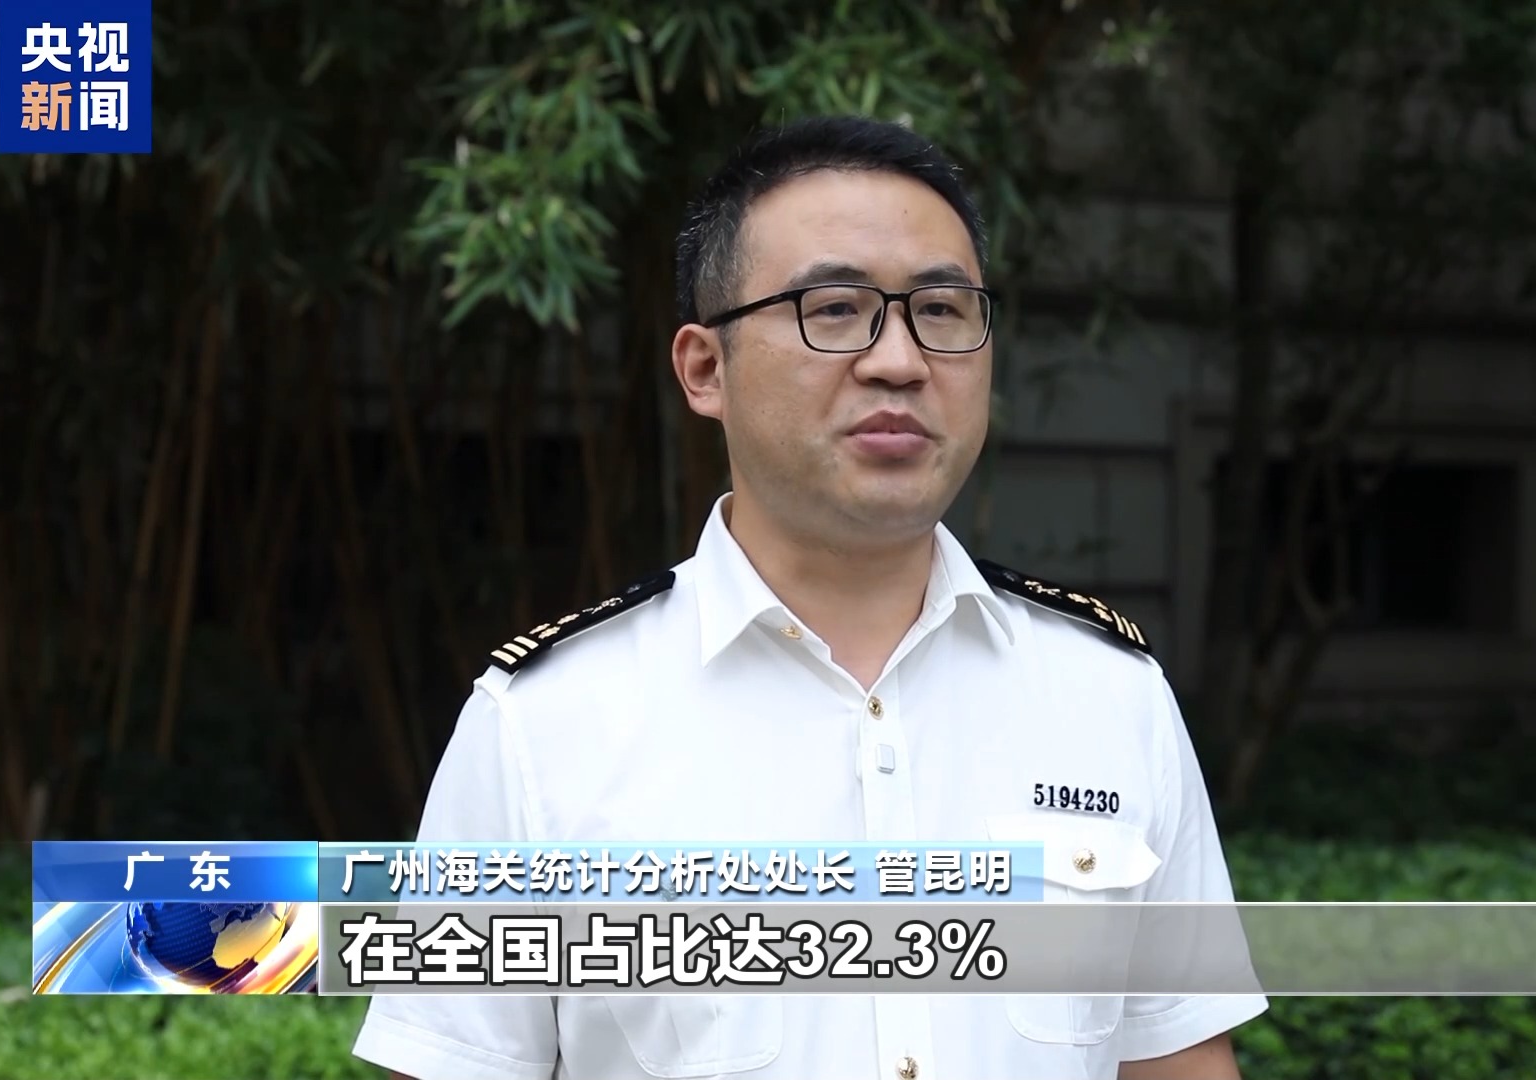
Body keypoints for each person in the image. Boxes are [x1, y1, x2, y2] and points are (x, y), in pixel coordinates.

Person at [352, 114, 1267, 1080]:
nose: (899, 360)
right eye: (833, 309)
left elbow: (1180, 1065)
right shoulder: (543, 727)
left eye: (941, 310)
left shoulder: (1109, 696)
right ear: (705, 369)